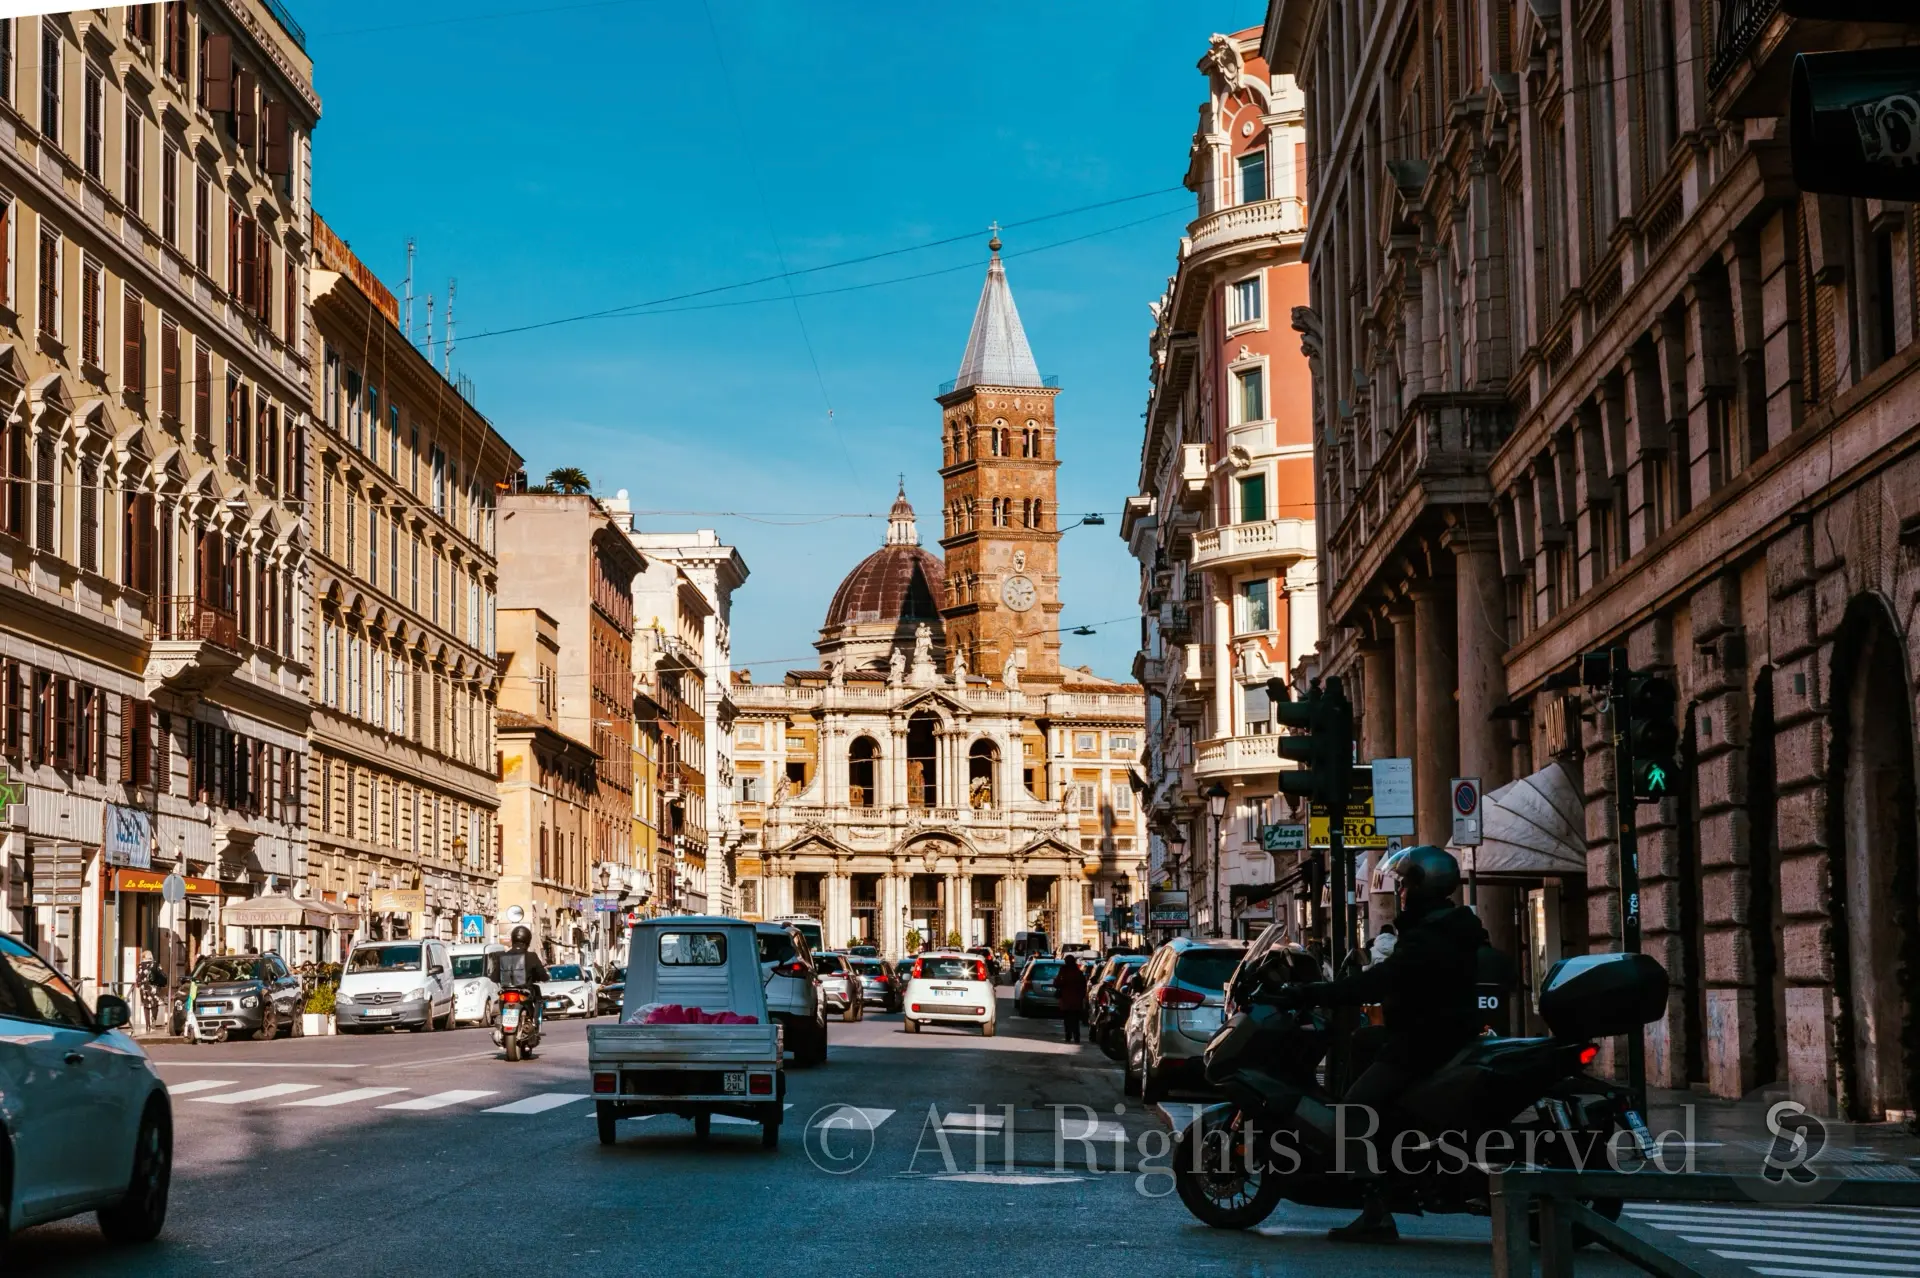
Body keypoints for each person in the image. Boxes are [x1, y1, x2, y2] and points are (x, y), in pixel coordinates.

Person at [1294, 845, 1488, 1243]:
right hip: (1436, 1035)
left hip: (1424, 1042)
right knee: (1363, 1042)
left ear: (1423, 885)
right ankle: (1394, 1153)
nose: (1400, 891)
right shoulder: (1446, 925)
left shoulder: (1429, 935)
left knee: (1353, 1111)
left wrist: (1317, 992)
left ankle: (1376, 1209)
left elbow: (1383, 980)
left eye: (1405, 883)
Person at [1054, 953, 1088, 1044]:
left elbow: (1057, 983)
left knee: (1067, 1020)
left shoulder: (1063, 971)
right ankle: (1076, 1037)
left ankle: (1068, 1036)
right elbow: (1083, 986)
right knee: (1075, 1020)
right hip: (1077, 1001)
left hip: (1066, 1000)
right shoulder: (1079, 973)